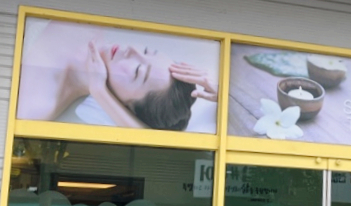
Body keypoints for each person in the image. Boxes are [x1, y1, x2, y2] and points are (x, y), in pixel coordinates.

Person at [17, 20, 217, 130]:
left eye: (138, 71)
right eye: (147, 50)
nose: (132, 50)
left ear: (125, 107)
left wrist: (100, 92)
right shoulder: (94, 21)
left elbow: (157, 144)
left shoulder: (34, 106)